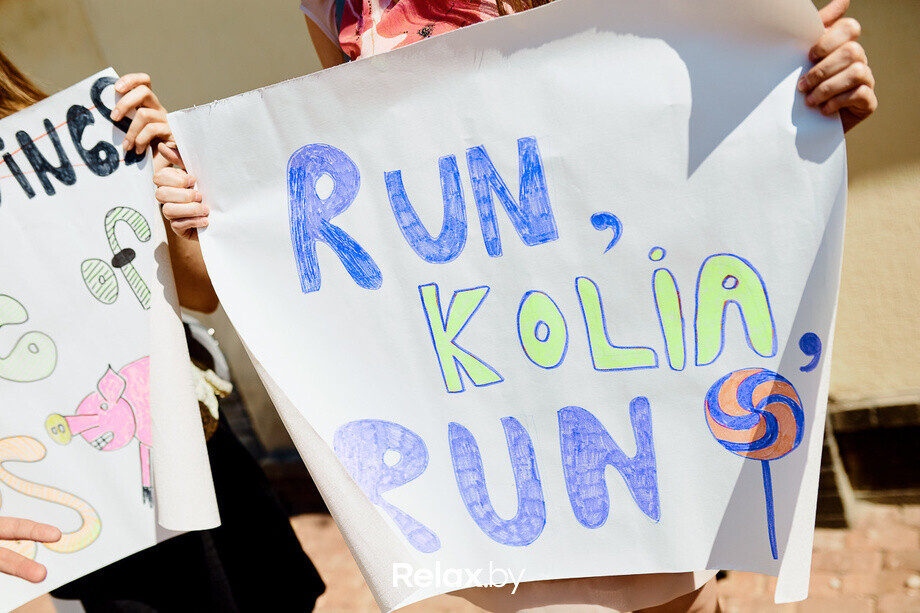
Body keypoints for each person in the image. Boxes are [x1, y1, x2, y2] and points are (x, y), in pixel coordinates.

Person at [147, 0, 877, 611]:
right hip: (484, 413)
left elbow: (676, 128)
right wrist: (203, 219)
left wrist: (802, 110)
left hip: (630, 374)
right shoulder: (338, 6)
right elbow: (364, 173)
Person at [0, 52, 324, 610]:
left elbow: (199, 296)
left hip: (199, 450)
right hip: (96, 509)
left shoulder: (66, 142)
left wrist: (164, 172)